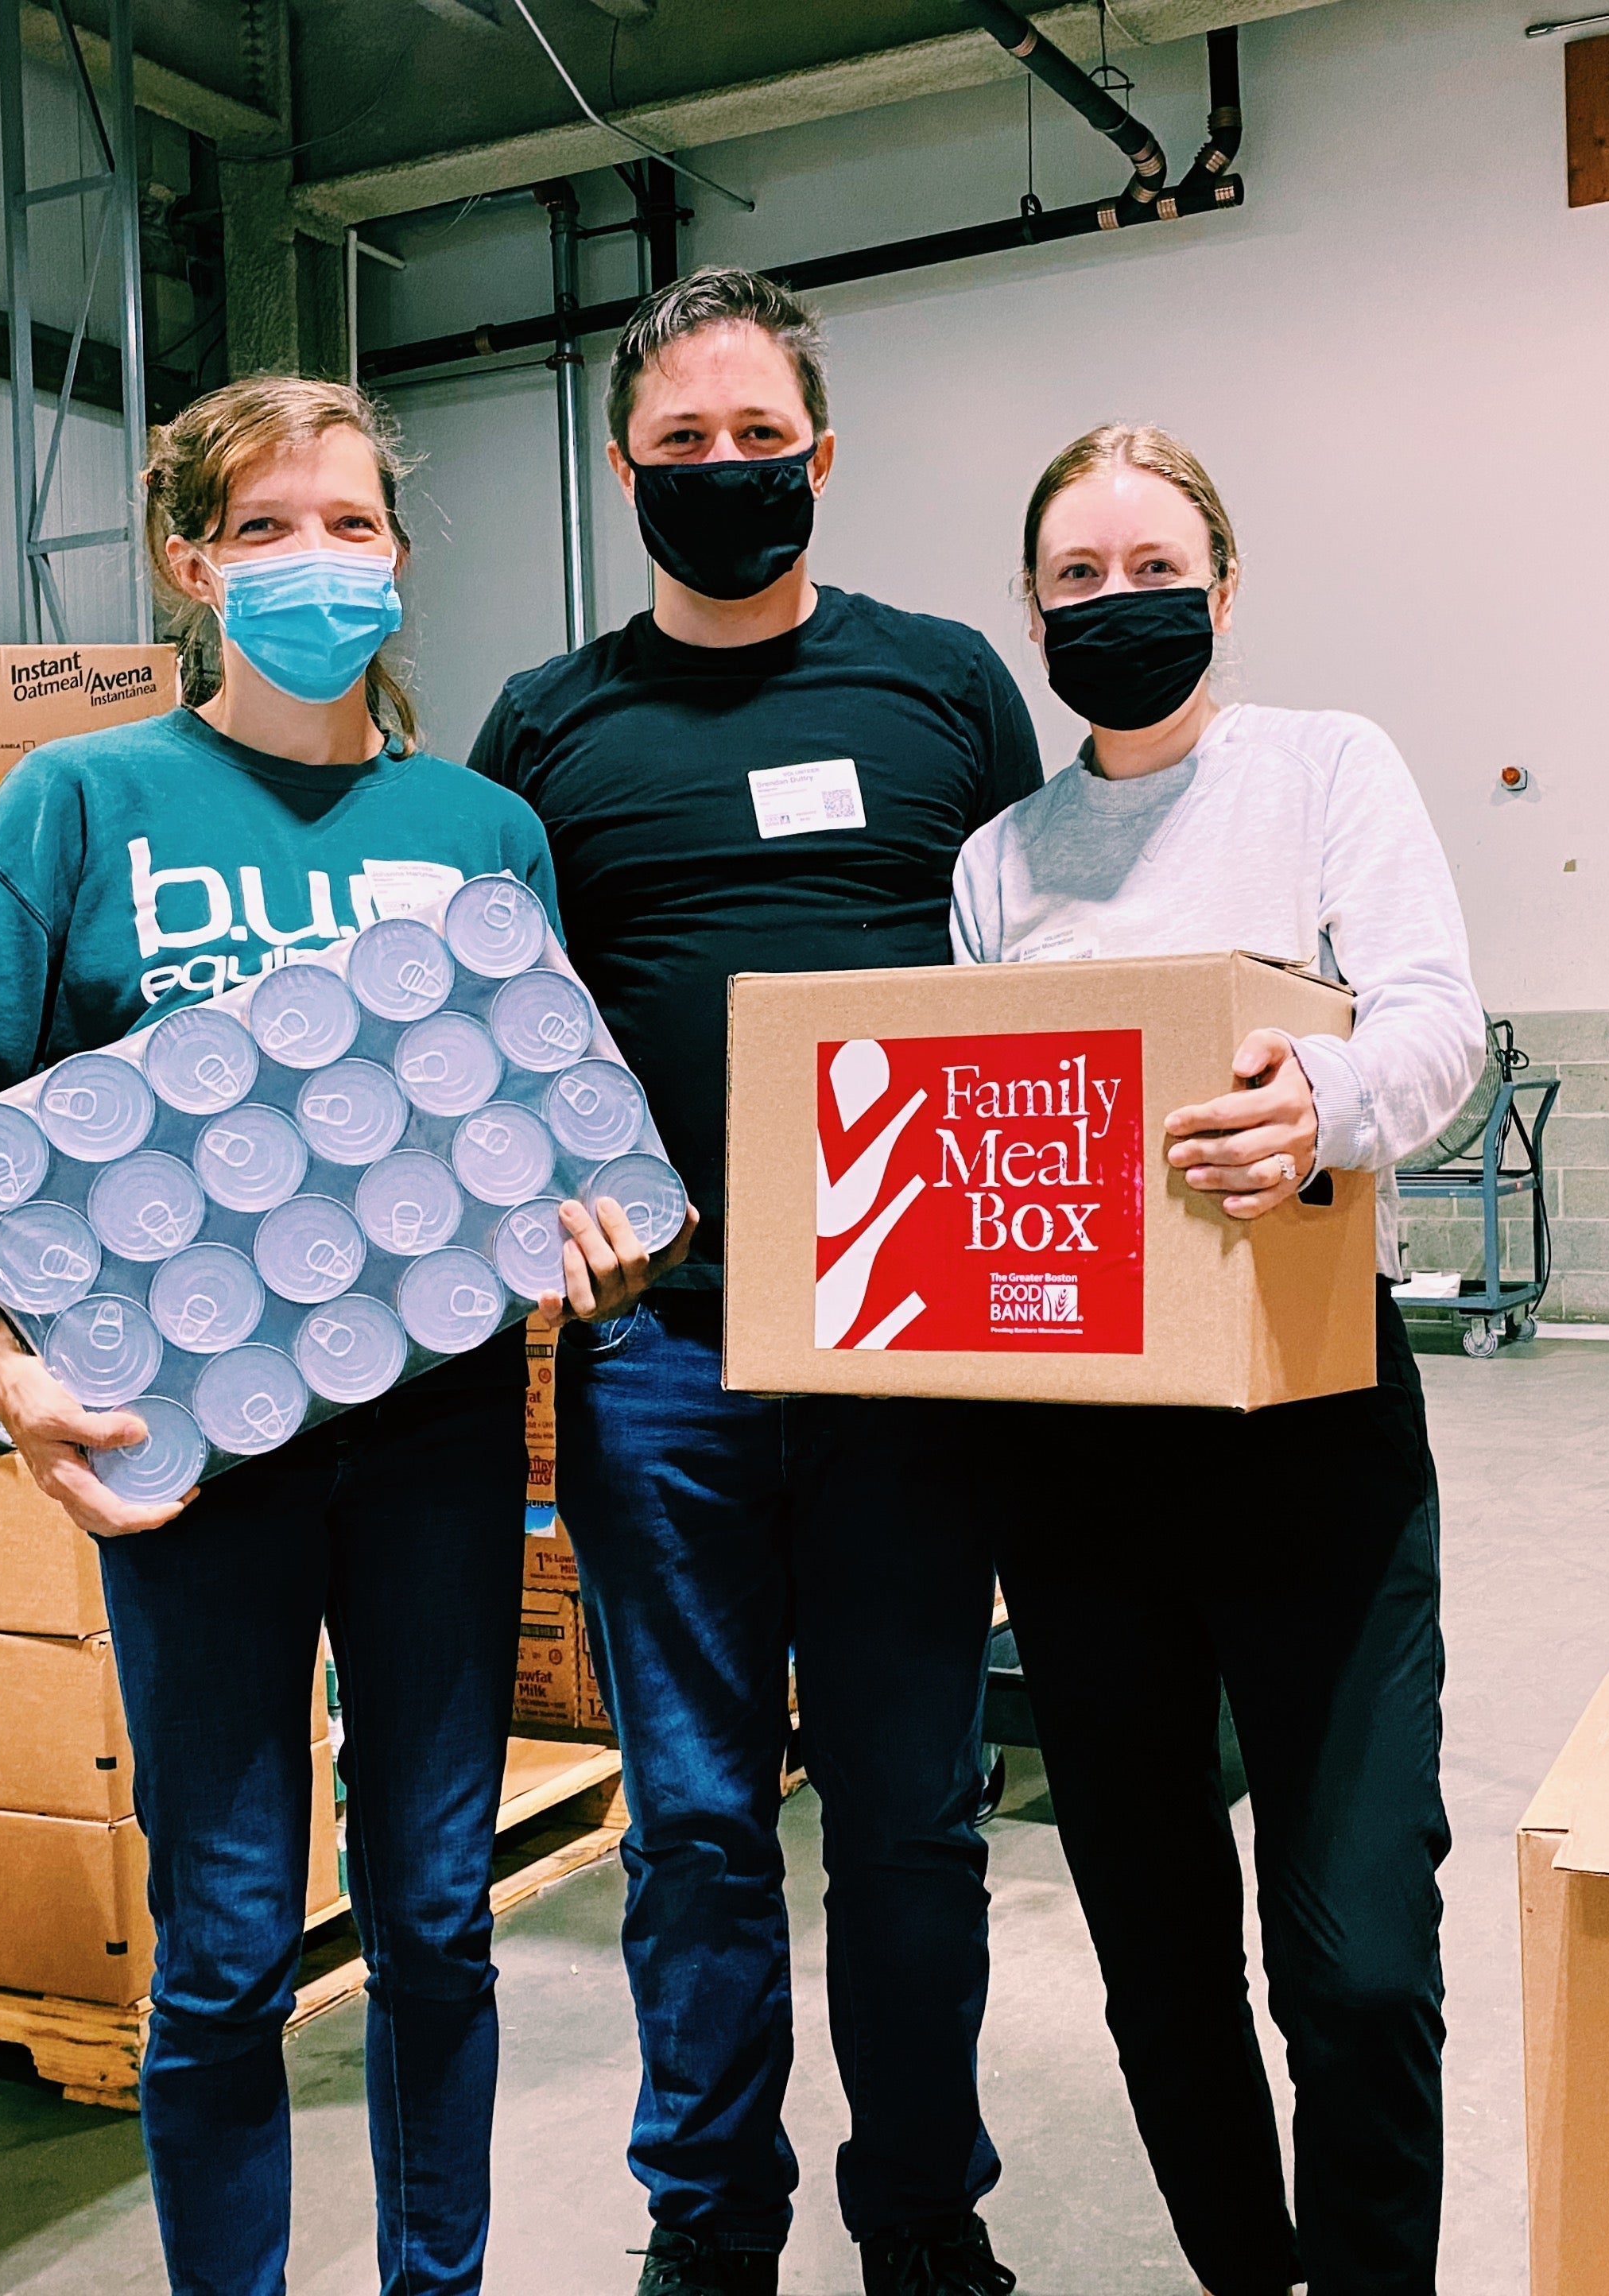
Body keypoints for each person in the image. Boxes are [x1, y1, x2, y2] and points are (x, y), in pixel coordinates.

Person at [0, 374, 679, 2296]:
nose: (316, 559)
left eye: (352, 523)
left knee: (440, 1917)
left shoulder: (481, 830)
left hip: (436, 1441)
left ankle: (434, 2281)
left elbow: (554, 1136)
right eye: (267, 526)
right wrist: (6, 1374)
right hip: (186, 1462)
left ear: (396, 558)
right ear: (192, 564)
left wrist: (596, 1258)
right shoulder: (81, 804)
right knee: (219, 1948)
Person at [467, 269, 1044, 2296]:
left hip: (912, 1354)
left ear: (824, 451)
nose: (729, 472)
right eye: (685, 445)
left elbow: (1047, 978)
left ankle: (923, 2225)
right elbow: (491, 1027)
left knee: (909, 1823)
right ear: (625, 469)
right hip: (663, 1362)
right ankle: (708, 2231)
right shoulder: (549, 723)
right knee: (698, 1829)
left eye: (760, 437)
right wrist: (540, 1203)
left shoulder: (948, 687)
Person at [949, 424, 1484, 2296]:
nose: (1118, 600)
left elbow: (1439, 1029)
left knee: (1352, 1962)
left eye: (1152, 564)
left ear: (1226, 585)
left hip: (1314, 1442)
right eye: (1077, 575)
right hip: (1083, 1463)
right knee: (1159, 1955)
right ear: (1033, 609)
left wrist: (1320, 1104)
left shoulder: (1327, 772)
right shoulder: (999, 863)